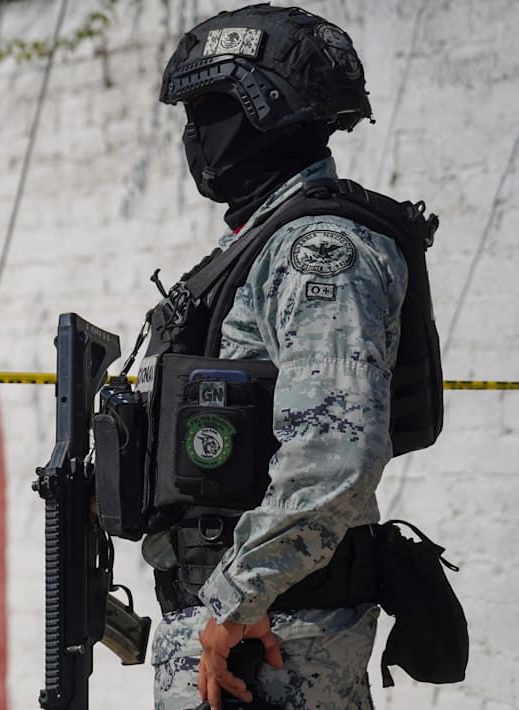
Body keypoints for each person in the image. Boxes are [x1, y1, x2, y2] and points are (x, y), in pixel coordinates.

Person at [137, 5, 417, 709]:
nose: (193, 134)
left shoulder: (315, 252)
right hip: (246, 629)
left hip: (271, 642)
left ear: (263, 111)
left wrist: (238, 598)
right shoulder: (260, 245)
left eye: (207, 110)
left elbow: (335, 452)